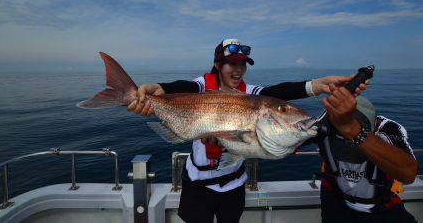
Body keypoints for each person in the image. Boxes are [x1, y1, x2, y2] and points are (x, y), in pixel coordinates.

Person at [128, 38, 366, 223]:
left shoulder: (250, 93)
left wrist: (315, 86)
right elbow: (184, 87)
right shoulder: (202, 85)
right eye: (232, 63)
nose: (238, 69)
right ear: (218, 65)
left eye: (243, 64)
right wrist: (158, 88)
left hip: (233, 185)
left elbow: (278, 92)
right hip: (196, 183)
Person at [310, 84, 418, 222]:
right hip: (336, 202)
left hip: (381, 206)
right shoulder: (323, 127)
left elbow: (408, 173)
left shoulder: (388, 128)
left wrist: (355, 131)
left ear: (375, 125)